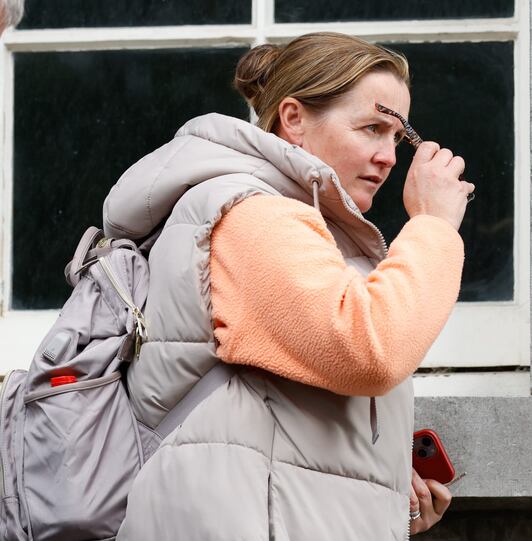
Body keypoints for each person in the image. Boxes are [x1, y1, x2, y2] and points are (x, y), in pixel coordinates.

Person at [110, 32, 473, 540]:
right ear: (294, 118)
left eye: (396, 138)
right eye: (372, 128)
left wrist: (385, 493)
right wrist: (433, 223)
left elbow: (289, 422)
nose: (389, 157)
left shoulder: (294, 224)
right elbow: (369, 349)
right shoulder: (253, 215)